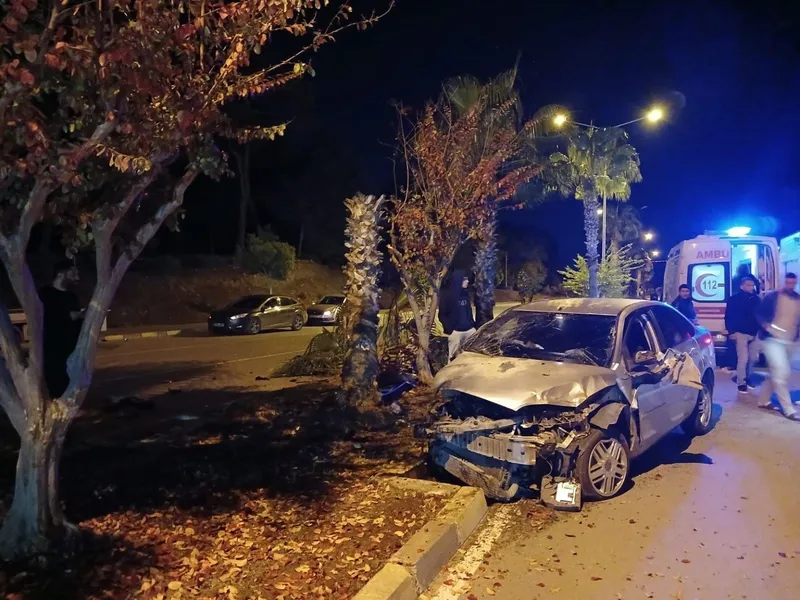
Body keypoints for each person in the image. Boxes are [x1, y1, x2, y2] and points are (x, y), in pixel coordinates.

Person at [756, 272, 800, 421]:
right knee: (782, 372)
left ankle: (763, 400)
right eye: (787, 283)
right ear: (783, 282)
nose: (790, 285)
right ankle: (788, 409)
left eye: (792, 283)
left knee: (774, 372)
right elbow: (759, 313)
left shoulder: (798, 299)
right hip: (772, 340)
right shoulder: (772, 297)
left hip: (790, 341)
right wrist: (765, 326)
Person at [39, 261, 83, 398]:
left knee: (69, 380)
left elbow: (75, 318)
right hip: (52, 345)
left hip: (71, 346)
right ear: (61, 273)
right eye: (73, 273)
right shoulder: (45, 293)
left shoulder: (71, 296)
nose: (77, 277)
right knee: (53, 378)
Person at [725, 277, 761, 393]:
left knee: (754, 357)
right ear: (742, 286)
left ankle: (748, 377)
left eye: (752, 285)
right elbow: (728, 316)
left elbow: (760, 314)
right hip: (740, 332)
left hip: (754, 332)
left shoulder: (756, 299)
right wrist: (731, 332)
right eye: (749, 285)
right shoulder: (734, 299)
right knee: (743, 359)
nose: (751, 287)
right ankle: (741, 382)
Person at [438, 270, 476, 361]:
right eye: (465, 280)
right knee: (453, 357)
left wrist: (472, 324)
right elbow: (442, 314)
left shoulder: (465, 294)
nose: (467, 281)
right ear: (458, 280)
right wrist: (450, 329)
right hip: (456, 332)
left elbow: (468, 310)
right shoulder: (447, 296)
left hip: (469, 330)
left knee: (472, 355)